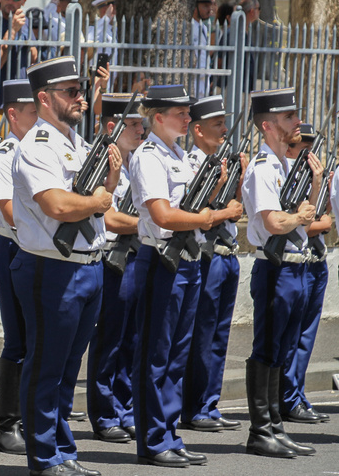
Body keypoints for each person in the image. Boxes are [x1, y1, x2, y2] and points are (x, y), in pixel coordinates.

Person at [9, 56, 116, 476]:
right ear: (44, 98)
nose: (80, 98)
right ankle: (43, 456)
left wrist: (107, 184)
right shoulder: (37, 146)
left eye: (80, 90)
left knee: (69, 369)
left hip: (86, 265)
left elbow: (100, 199)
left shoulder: (77, 143)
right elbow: (55, 204)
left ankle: (63, 451)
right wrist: (98, 200)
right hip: (50, 268)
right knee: (46, 366)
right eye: (71, 92)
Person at [129, 85, 216, 468]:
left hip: (188, 261)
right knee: (156, 355)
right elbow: (163, 215)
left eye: (188, 112)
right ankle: (152, 440)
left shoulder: (179, 154)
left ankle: (168, 433)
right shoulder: (150, 156)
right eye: (180, 113)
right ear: (158, 117)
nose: (187, 118)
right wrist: (205, 218)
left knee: (177, 355)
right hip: (162, 260)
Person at [241, 87, 320, 459]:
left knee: (283, 350)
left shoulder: (285, 166)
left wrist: (315, 186)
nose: (297, 123)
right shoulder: (261, 169)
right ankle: (260, 431)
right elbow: (273, 222)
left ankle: (276, 425)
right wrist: (300, 218)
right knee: (268, 348)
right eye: (289, 118)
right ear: (268, 125)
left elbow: (305, 215)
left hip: (295, 267)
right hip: (274, 269)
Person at [179, 95, 245, 433]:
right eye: (218, 124)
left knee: (219, 335)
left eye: (224, 123)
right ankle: (193, 407)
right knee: (200, 335)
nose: (224, 130)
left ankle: (209, 402)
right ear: (198, 129)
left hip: (228, 253)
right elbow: (197, 210)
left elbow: (240, 207)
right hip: (205, 255)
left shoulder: (226, 161)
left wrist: (240, 176)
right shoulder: (191, 163)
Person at [86, 93, 144, 445]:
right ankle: (105, 413)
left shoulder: (137, 161)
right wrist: (149, 222)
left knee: (132, 341)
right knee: (109, 340)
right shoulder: (99, 162)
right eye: (134, 124)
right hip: (110, 261)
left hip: (134, 257)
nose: (141, 129)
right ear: (113, 126)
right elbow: (107, 217)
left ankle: (125, 408)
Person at [0, 78, 36, 455]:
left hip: (40, 249)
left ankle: (36, 417)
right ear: (12, 114)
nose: (38, 118)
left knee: (41, 340)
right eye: (32, 112)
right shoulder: (6, 153)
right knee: (18, 339)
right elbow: (8, 210)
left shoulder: (43, 149)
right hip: (14, 248)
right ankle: (8, 425)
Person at [283, 122, 332, 425]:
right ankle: (286, 397)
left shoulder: (316, 176)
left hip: (316, 258)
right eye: (301, 145)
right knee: (289, 335)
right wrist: (317, 223)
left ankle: (296, 393)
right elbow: (302, 223)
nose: (307, 151)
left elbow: (326, 216)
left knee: (306, 336)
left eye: (310, 145)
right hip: (293, 259)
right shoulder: (284, 174)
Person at [191, 0, 214, 97]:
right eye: (205, 6)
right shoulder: (189, 26)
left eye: (210, 6)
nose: (210, 9)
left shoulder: (203, 27)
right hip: (193, 77)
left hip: (204, 78)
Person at [87, 0, 117, 71]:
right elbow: (89, 41)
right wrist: (106, 18)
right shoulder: (94, 28)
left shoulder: (115, 30)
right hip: (98, 75)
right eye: (114, 9)